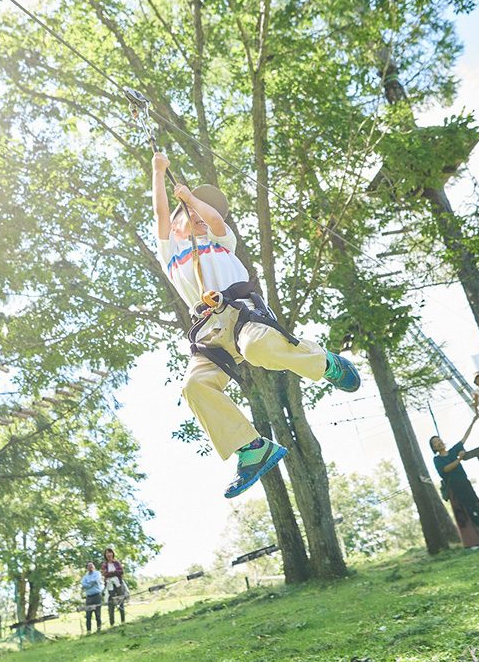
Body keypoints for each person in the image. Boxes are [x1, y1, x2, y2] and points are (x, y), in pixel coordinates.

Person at [152, 151, 361, 498]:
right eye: (191, 214)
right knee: (194, 385)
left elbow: (215, 220)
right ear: (176, 227)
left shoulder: (221, 242)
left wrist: (190, 199)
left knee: (258, 347)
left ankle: (325, 363)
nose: (201, 216)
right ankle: (252, 448)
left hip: (242, 315)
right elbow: (161, 213)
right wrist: (158, 172)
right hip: (210, 334)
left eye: (204, 211)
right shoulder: (171, 255)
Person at [430, 416, 479, 548]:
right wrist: (459, 459)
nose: (439, 443)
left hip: (465, 484)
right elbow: (445, 469)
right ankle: (473, 542)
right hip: (454, 489)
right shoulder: (437, 460)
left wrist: (473, 421)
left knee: (476, 507)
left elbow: (464, 438)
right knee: (464, 513)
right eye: (435, 443)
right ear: (434, 448)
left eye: (439, 440)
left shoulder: (452, 451)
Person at [100, 548, 127, 625]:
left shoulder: (117, 562)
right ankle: (112, 623)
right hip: (109, 585)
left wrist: (113, 572)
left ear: (112, 554)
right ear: (105, 555)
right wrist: (114, 573)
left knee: (121, 601)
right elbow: (105, 574)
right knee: (111, 603)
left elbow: (121, 572)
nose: (109, 554)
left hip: (118, 584)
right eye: (107, 553)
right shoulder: (104, 564)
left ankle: (123, 621)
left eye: (110, 552)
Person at [81, 562, 103, 633]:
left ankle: (99, 629)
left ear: (94, 566)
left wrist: (88, 584)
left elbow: (96, 580)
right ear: (87, 568)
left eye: (91, 566)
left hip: (97, 595)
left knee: (98, 614)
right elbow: (83, 584)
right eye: (89, 566)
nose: (90, 567)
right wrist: (91, 584)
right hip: (89, 597)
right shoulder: (85, 577)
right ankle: (88, 631)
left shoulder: (97, 573)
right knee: (88, 615)